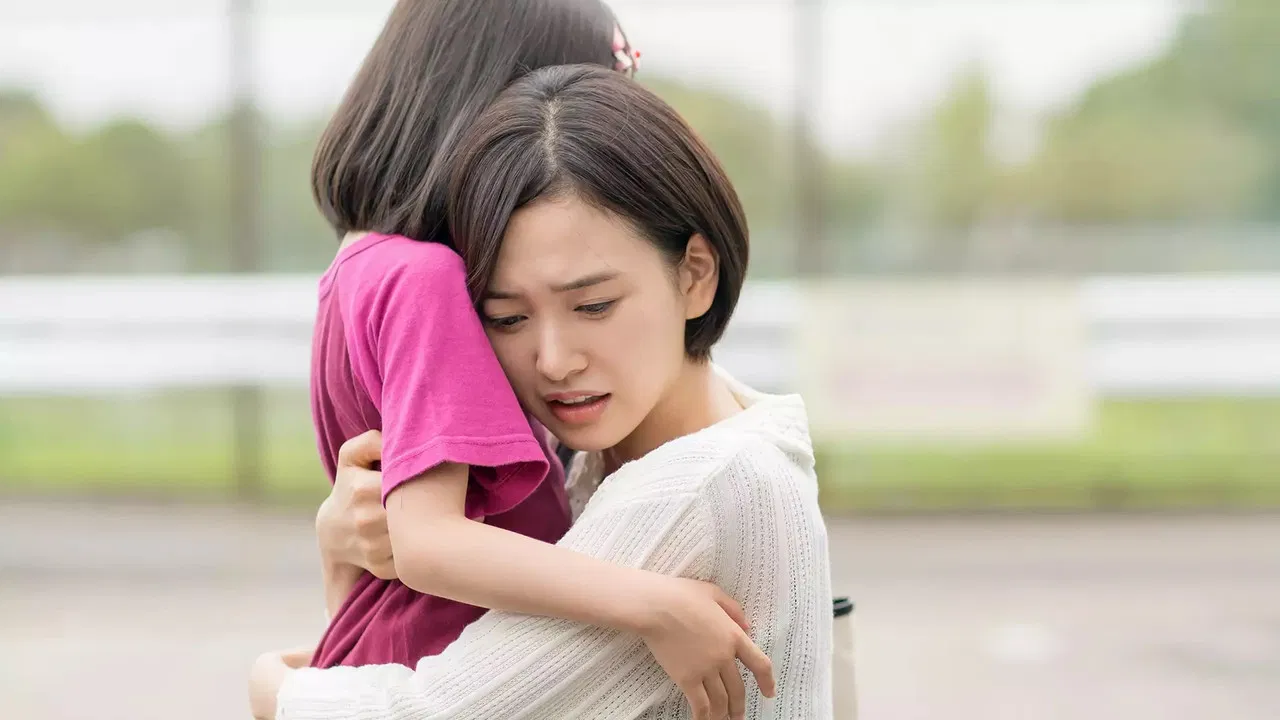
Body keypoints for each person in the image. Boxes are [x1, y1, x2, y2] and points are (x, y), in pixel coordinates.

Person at [251, 63, 833, 720]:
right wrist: (341, 555)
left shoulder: (691, 489)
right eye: (507, 319)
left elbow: (413, 711)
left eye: (594, 306)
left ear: (695, 275)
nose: (554, 362)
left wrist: (269, 684)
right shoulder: (689, 438)